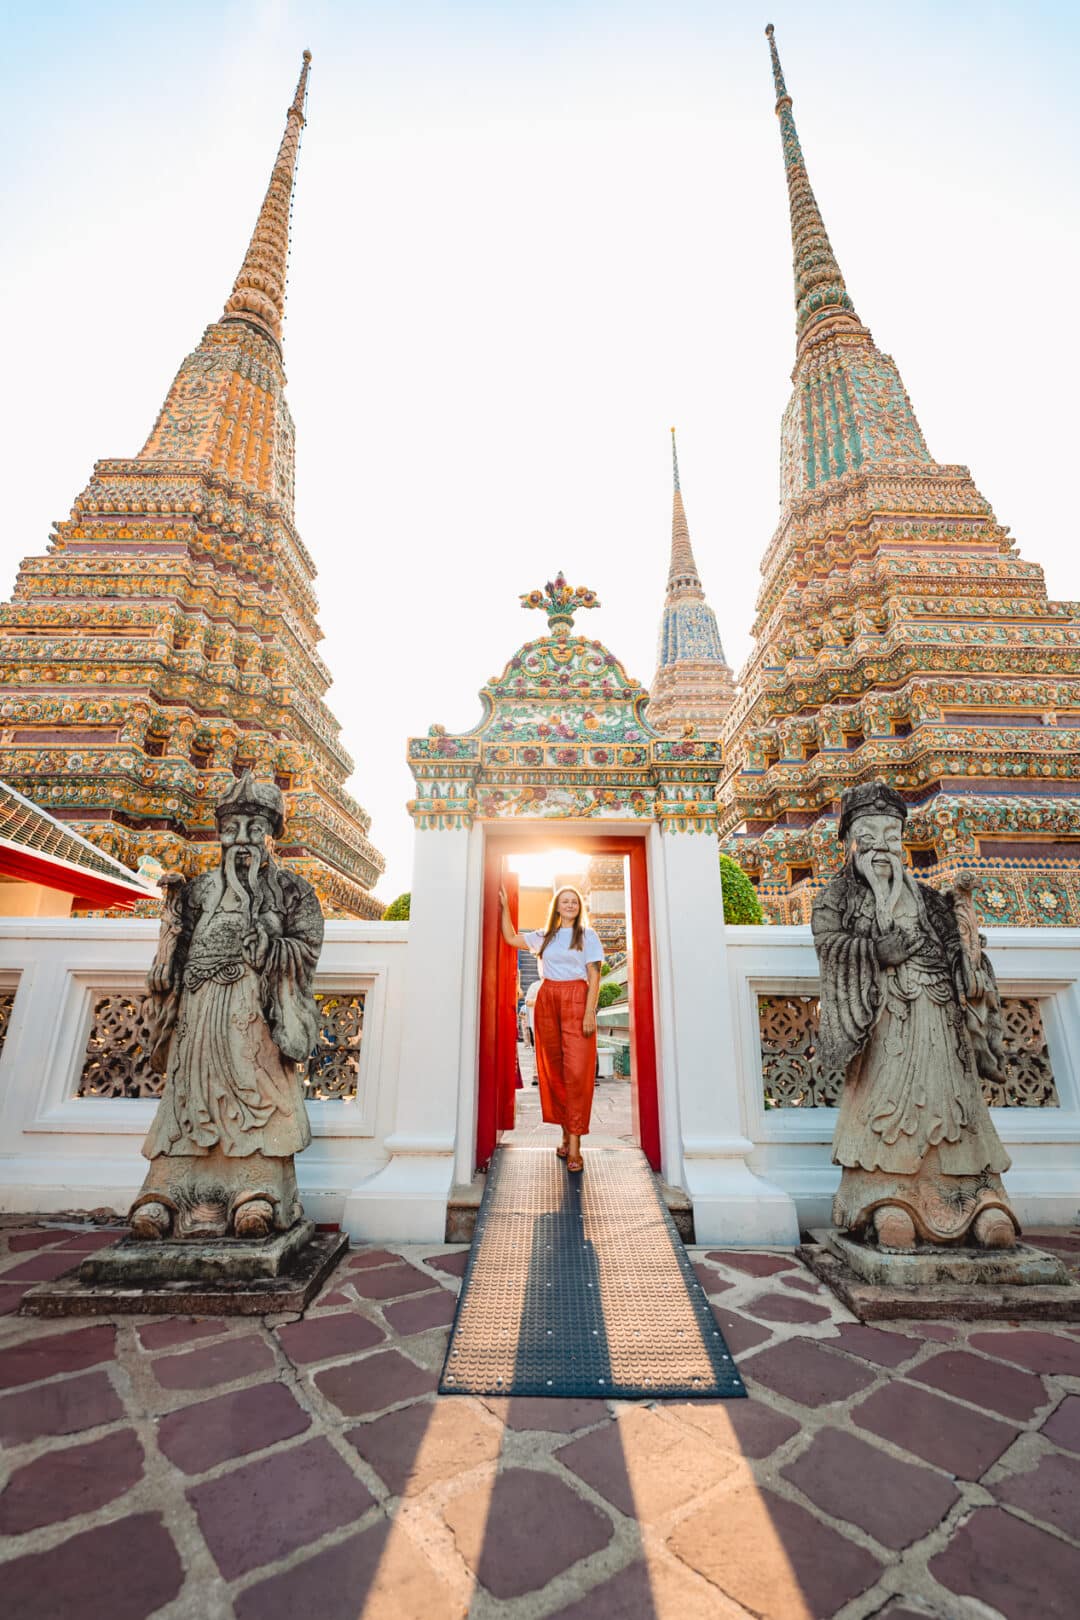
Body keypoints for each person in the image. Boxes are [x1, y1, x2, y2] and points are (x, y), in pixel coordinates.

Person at [811, 782, 1017, 1250]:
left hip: (939, 1020)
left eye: (891, 833)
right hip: (883, 1021)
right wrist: (874, 951)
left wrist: (969, 958)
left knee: (953, 1109)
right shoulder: (837, 898)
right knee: (887, 1109)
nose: (881, 845)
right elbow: (828, 945)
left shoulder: (927, 901)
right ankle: (886, 1201)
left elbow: (961, 956)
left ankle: (980, 1202)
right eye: (869, 833)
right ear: (850, 842)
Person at [130, 771, 324, 1241]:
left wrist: (272, 950)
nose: (242, 840)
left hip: (253, 1012)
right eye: (232, 828)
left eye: (254, 830)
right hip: (198, 1008)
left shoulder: (290, 891)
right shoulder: (198, 890)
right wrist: (169, 943)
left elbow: (307, 947)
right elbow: (175, 948)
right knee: (188, 1094)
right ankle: (167, 1192)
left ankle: (257, 1190)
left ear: (270, 837)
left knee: (255, 1091)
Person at [499, 884, 603, 1172]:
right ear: (557, 906)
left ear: (579, 907)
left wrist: (589, 1012)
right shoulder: (544, 937)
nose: (570, 905)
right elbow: (509, 938)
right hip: (548, 1000)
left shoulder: (587, 935)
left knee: (578, 1072)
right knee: (554, 1069)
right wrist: (505, 906)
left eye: (574, 902)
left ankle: (576, 1147)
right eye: (565, 901)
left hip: (576, 998)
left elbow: (595, 975)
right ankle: (565, 1136)